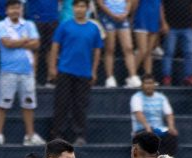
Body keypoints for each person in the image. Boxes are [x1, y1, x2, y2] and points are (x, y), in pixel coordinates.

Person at [48, 0, 102, 146]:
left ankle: (80, 135)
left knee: (80, 105)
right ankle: (57, 134)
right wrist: (52, 67)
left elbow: (97, 51)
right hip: (65, 71)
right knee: (61, 103)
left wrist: (94, 71)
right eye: (77, 6)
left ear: (87, 8)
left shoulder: (93, 28)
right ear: (73, 8)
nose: (80, 9)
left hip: (84, 73)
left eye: (83, 6)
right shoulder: (64, 25)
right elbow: (55, 46)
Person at [0, 0, 45, 146]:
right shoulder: (1, 25)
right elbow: (6, 44)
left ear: (21, 9)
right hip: (8, 71)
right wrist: (25, 40)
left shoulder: (29, 24)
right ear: (7, 10)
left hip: (27, 71)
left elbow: (37, 44)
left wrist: (17, 42)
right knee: (3, 104)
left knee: (28, 104)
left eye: (17, 8)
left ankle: (29, 135)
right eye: (12, 8)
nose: (15, 11)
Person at [130, 74, 178, 156]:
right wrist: (147, 127)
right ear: (142, 85)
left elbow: (169, 114)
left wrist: (171, 127)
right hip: (142, 129)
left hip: (159, 129)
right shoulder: (136, 97)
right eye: (146, 83)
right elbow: (138, 114)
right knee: (148, 138)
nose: (149, 86)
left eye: (151, 83)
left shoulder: (161, 97)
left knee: (171, 136)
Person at [96, 0, 139, 88]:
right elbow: (100, 3)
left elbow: (129, 2)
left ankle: (133, 76)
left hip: (123, 17)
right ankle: (110, 78)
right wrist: (112, 14)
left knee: (128, 47)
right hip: (107, 17)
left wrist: (126, 13)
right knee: (110, 49)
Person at [160, 0, 192, 86]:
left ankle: (189, 76)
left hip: (188, 26)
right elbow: (161, 6)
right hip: (171, 27)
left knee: (189, 53)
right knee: (169, 52)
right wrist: (163, 23)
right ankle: (166, 77)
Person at [25, 0, 58, 86]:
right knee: (34, 50)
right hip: (35, 18)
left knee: (51, 50)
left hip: (52, 19)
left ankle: (50, 79)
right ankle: (32, 79)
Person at [132, 0, 162, 77]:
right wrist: (132, 17)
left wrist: (161, 21)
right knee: (142, 50)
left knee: (149, 52)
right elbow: (134, 3)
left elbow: (160, 6)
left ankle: (148, 77)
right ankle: (131, 75)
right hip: (141, 18)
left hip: (154, 19)